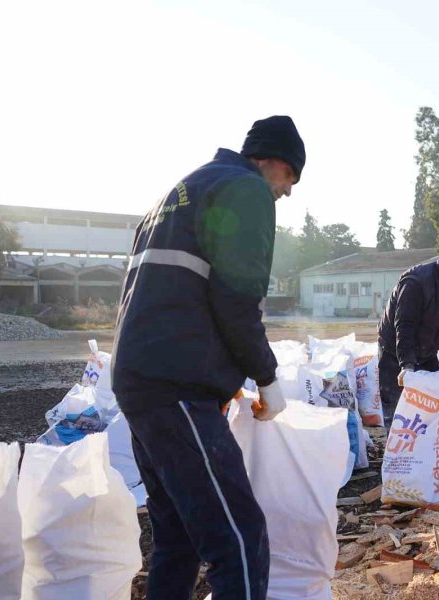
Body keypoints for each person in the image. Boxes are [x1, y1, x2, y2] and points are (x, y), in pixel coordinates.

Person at [112, 116, 305, 600]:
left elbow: (175, 293)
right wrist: (266, 377)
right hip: (175, 387)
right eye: (290, 180)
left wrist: (221, 370)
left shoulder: (181, 190)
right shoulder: (246, 189)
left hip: (141, 380)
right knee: (240, 538)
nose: (285, 193)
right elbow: (237, 298)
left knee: (177, 534)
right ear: (275, 162)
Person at [377, 238, 439, 428]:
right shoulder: (416, 281)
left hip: (427, 354)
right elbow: (404, 325)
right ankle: (398, 455)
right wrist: (406, 365)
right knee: (398, 410)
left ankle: (422, 454)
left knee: (428, 408)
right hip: (395, 352)